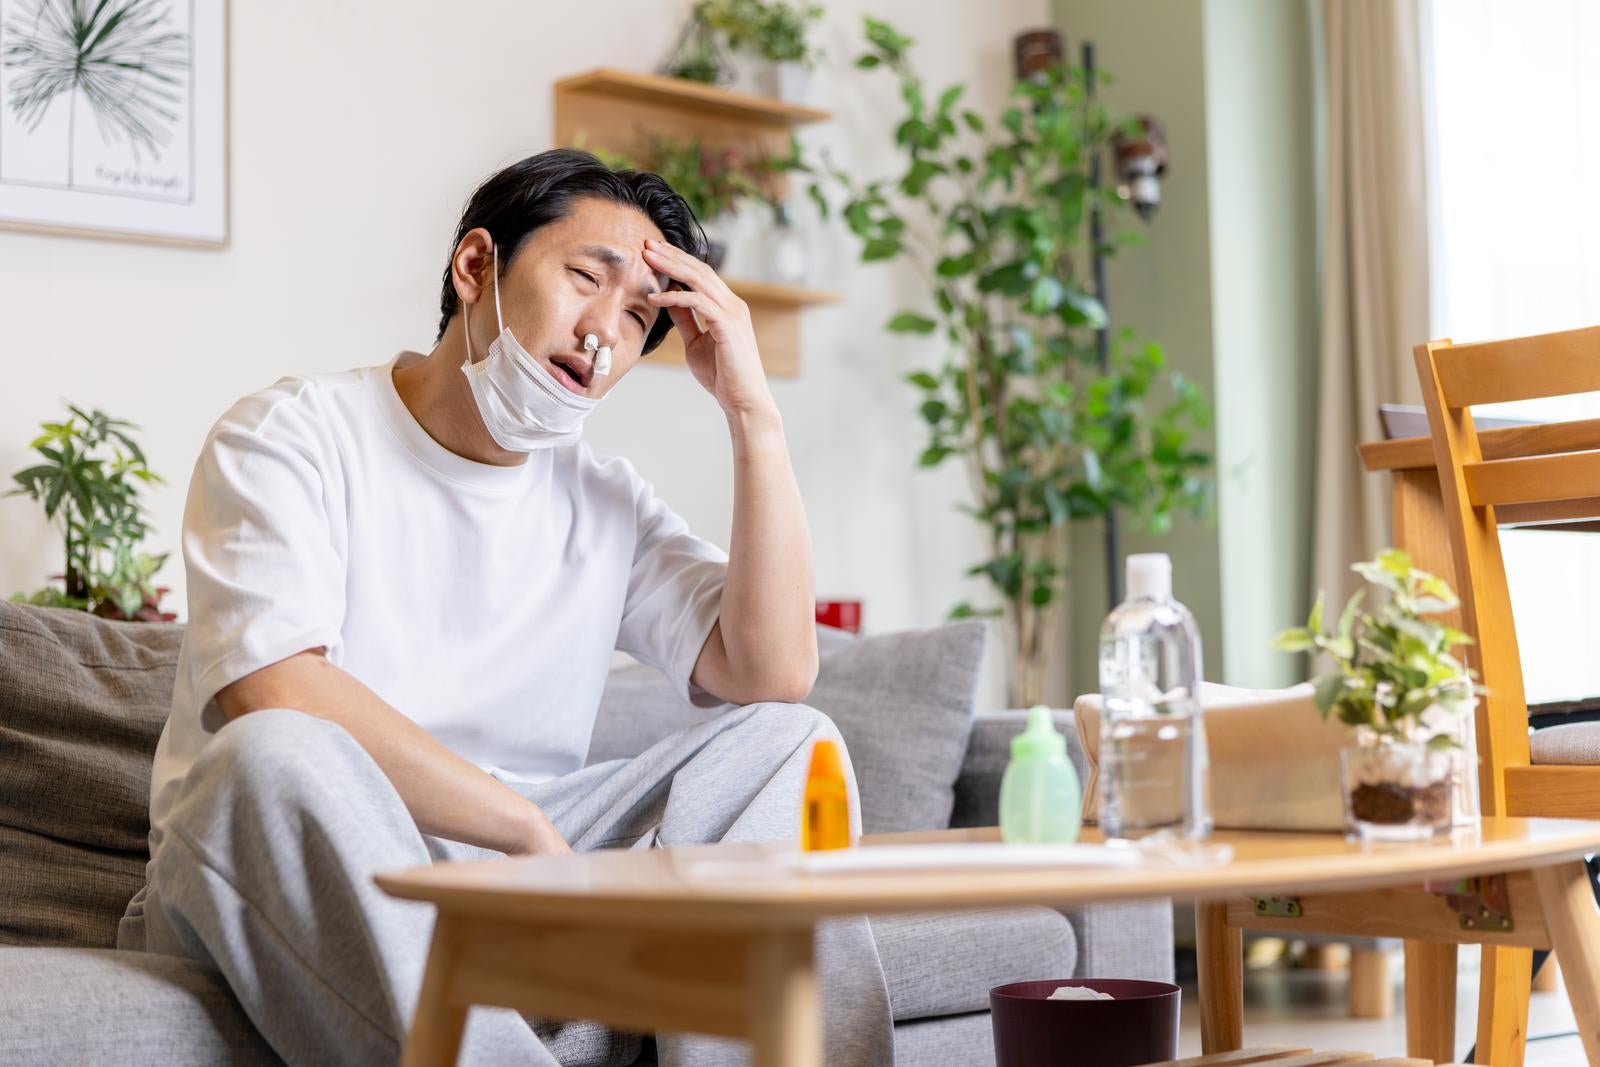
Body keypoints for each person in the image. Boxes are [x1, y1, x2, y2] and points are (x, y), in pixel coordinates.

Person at [116, 148, 894, 1067]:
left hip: (527, 889)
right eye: (583, 279)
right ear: (476, 265)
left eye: (641, 315)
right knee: (272, 749)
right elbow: (275, 689)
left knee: (791, 744)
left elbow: (771, 672)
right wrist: (525, 828)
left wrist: (751, 412)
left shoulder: (605, 502)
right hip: (309, 858)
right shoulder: (291, 434)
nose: (605, 333)